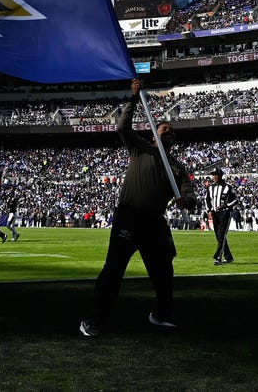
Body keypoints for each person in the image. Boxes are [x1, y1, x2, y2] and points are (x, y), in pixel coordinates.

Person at [80, 79, 196, 338]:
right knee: (114, 269)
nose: (169, 132)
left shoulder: (177, 167)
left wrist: (186, 201)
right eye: (164, 129)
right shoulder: (140, 149)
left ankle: (162, 314)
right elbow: (122, 127)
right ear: (155, 135)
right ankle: (94, 319)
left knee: (163, 270)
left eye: (172, 131)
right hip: (129, 217)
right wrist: (133, 98)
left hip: (154, 222)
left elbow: (190, 194)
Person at [206, 167, 238, 265]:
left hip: (225, 213)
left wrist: (225, 206)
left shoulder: (228, 187)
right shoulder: (210, 187)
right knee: (219, 236)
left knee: (221, 235)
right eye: (213, 175)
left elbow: (235, 200)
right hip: (215, 214)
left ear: (220, 176)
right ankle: (229, 257)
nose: (214, 177)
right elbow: (207, 200)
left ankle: (218, 257)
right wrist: (209, 210)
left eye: (216, 175)